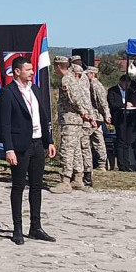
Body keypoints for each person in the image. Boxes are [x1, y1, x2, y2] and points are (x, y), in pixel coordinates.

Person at [0, 56, 57, 245]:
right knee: (18, 186)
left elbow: (43, 115)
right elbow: (4, 124)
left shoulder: (35, 90)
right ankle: (18, 229)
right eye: (28, 69)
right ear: (17, 71)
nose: (32, 72)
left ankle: (36, 227)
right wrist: (9, 149)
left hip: (38, 144)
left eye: (32, 69)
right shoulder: (8, 93)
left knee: (37, 186)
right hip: (20, 146)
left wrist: (49, 141)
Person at [53, 56, 93, 192]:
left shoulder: (66, 79)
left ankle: (65, 181)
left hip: (70, 119)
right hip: (76, 120)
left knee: (67, 149)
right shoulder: (73, 78)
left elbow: (74, 99)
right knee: (76, 150)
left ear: (58, 66)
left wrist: (83, 112)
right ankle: (78, 178)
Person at [107, 74, 136, 171]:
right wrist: (124, 105)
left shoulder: (130, 92)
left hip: (129, 118)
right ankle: (121, 164)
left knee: (128, 141)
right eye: (126, 83)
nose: (127, 85)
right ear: (122, 82)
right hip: (119, 118)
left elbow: (135, 101)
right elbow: (112, 104)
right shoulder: (113, 90)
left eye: (128, 83)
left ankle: (127, 163)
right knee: (121, 140)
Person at [85, 66, 111, 178]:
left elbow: (103, 102)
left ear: (93, 74)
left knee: (88, 137)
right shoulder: (91, 85)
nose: (86, 75)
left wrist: (106, 115)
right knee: (97, 139)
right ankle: (102, 163)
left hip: (96, 116)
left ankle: (100, 163)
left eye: (88, 74)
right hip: (95, 116)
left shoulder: (97, 86)